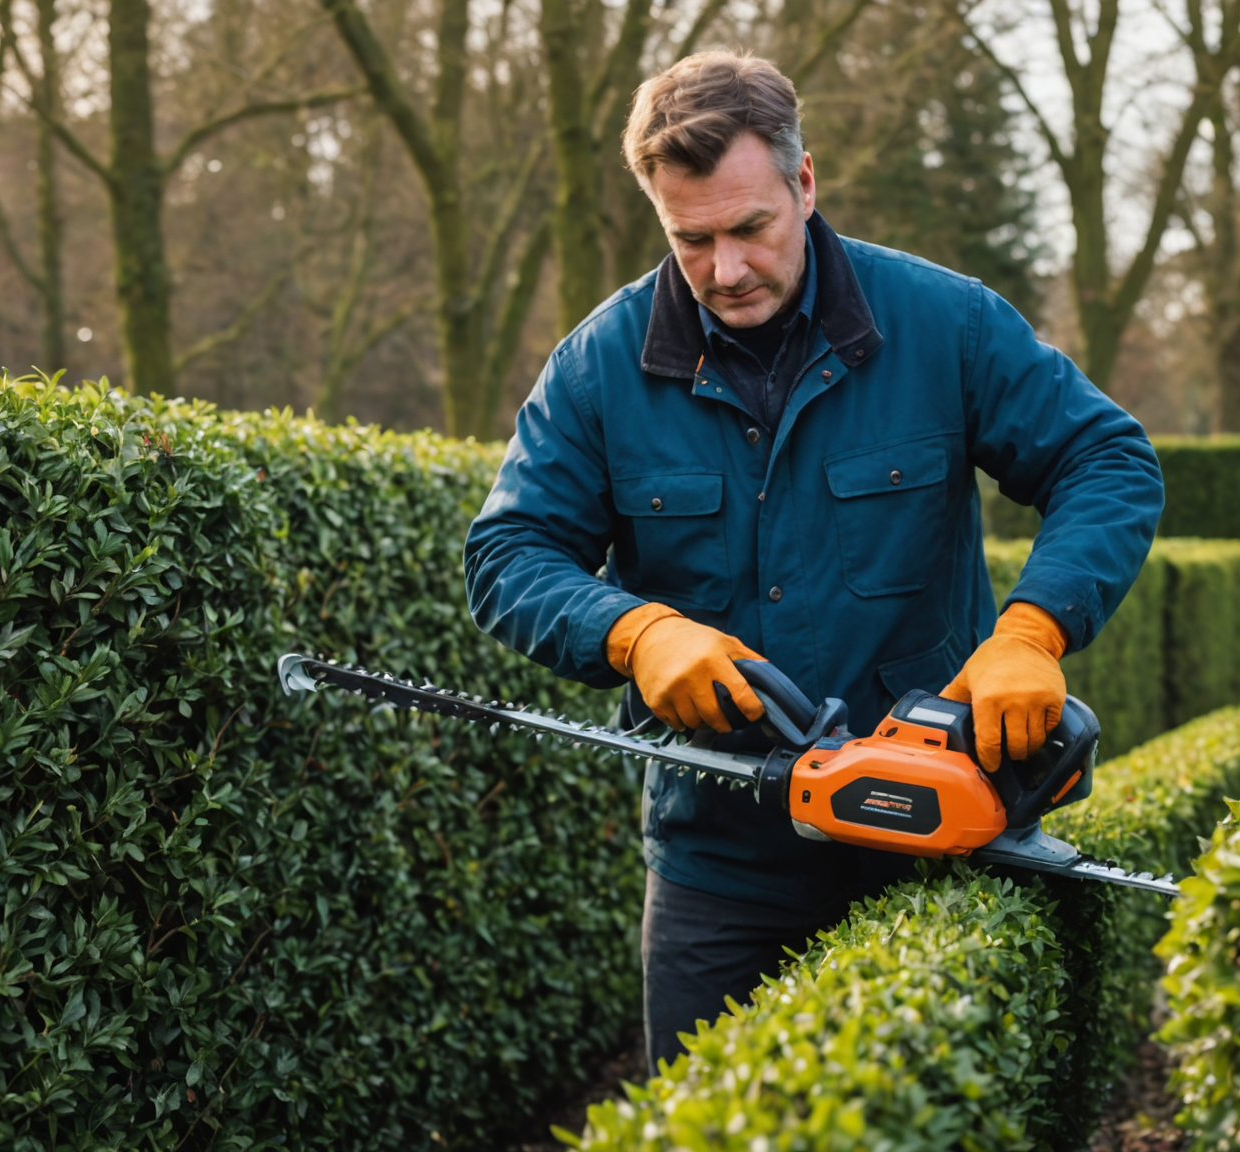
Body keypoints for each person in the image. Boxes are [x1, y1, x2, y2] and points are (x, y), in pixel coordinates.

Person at [464, 51, 1163, 1069]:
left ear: (803, 183)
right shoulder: (599, 364)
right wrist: (635, 630)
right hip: (720, 864)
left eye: (750, 228)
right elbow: (508, 552)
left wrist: (1033, 631)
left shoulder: (942, 323)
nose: (726, 269)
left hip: (933, 846)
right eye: (690, 239)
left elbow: (1106, 458)